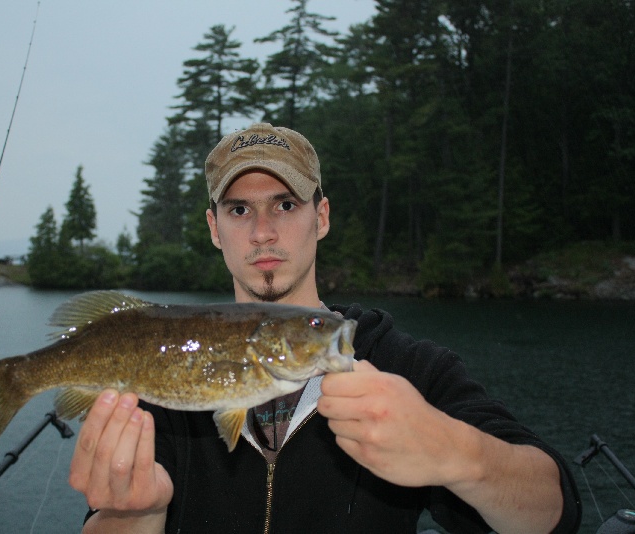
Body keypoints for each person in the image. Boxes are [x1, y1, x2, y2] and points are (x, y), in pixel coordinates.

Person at [69, 123, 581, 533]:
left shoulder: (411, 370)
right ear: (214, 229)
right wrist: (133, 516)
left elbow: (550, 512)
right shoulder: (161, 380)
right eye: (240, 209)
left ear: (322, 216)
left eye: (286, 205)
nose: (263, 232)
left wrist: (457, 453)